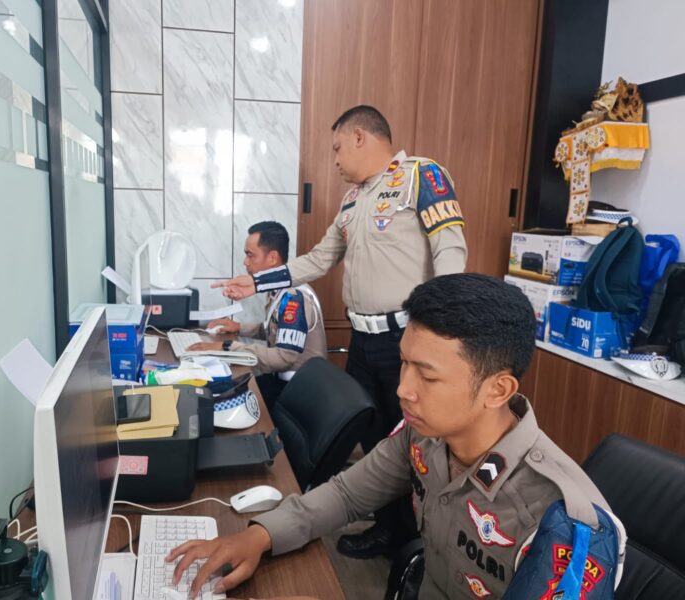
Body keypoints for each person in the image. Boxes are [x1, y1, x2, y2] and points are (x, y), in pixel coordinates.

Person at [166, 274, 625, 600]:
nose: (404, 389)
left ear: (498, 390)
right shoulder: (426, 437)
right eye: (404, 363)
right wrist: (260, 535)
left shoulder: (563, 524)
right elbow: (347, 494)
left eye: (427, 375)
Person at [213, 105, 468, 557]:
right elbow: (318, 259)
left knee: (419, 440)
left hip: (407, 338)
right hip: (363, 340)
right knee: (375, 438)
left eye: (337, 147)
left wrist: (441, 329)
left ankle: (428, 545)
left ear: (359, 137)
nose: (334, 159)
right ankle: (391, 528)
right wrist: (257, 282)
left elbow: (450, 249)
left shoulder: (420, 176)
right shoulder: (352, 201)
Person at [188, 221, 327, 406]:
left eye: (250, 255)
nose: (245, 262)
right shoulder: (277, 289)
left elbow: (283, 358)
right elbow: (273, 330)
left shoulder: (293, 297)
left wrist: (228, 347)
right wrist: (239, 327)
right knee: (223, 389)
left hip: (301, 392)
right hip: (284, 381)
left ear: (272, 258)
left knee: (229, 400)